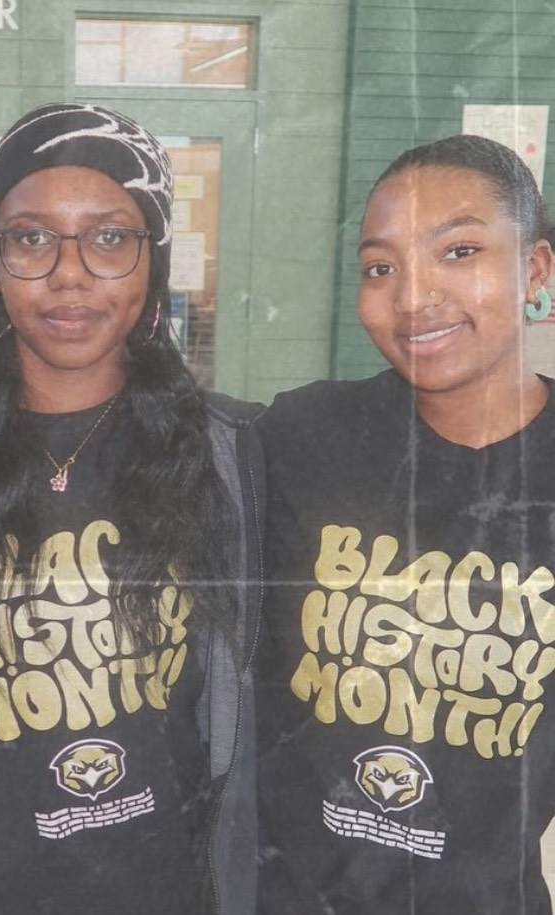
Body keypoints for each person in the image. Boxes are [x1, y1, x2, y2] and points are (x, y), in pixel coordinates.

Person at [0, 102, 263, 913]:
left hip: (162, 887)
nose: (69, 273)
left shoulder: (229, 451)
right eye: (32, 237)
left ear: (154, 261)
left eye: (110, 237)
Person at [255, 135, 555, 913]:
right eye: (379, 267)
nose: (412, 295)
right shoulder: (305, 434)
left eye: (459, 250)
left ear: (536, 270)